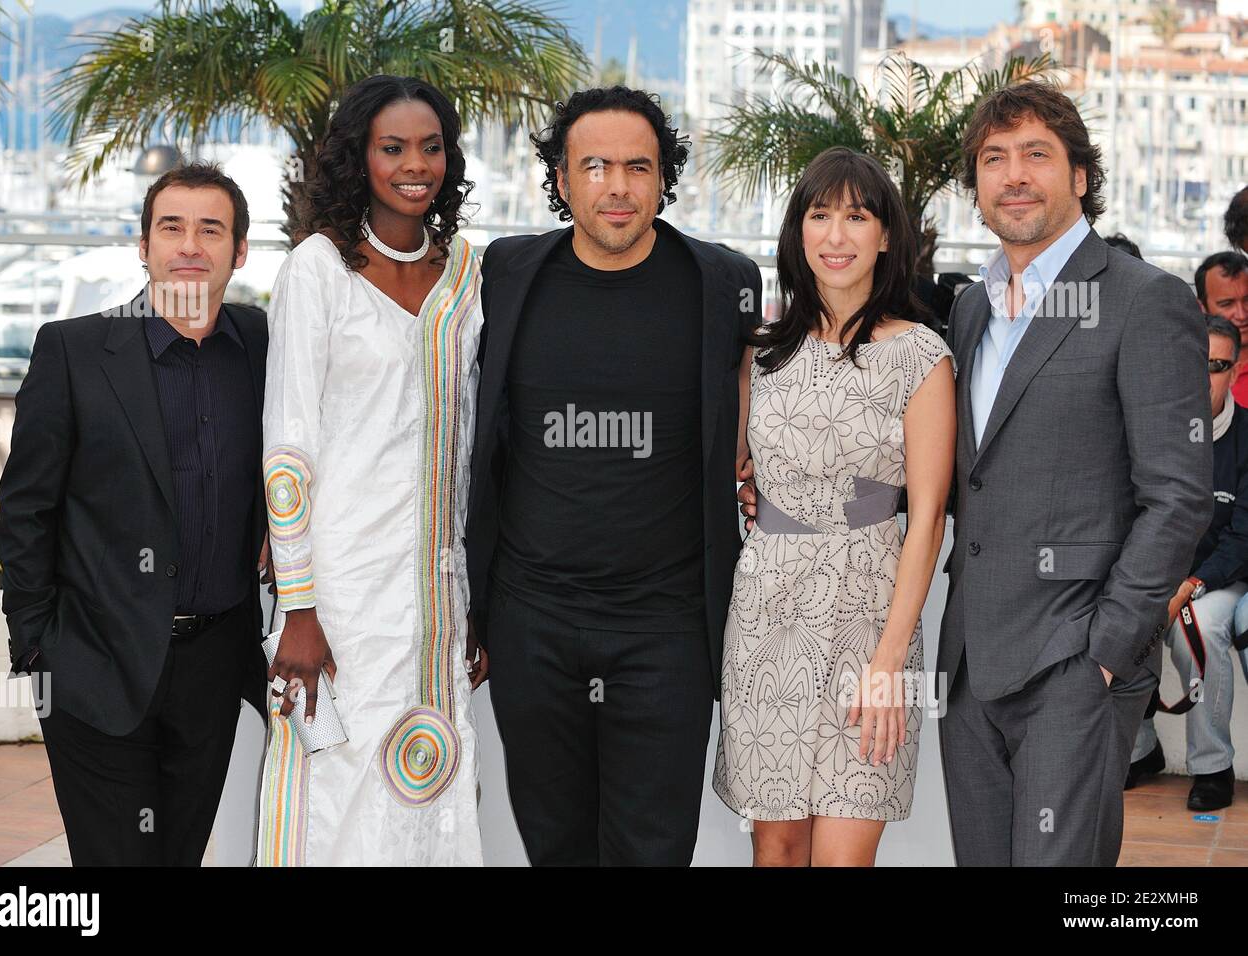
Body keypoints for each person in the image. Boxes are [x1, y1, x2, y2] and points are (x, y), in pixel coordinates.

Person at [465, 86, 761, 866]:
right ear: (561, 180)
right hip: (533, 623)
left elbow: (767, 389)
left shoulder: (721, 281)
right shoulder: (506, 272)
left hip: (667, 631)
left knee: (652, 851)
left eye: (638, 166)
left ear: (665, 178)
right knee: (554, 847)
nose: (618, 186)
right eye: (594, 166)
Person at [937, 81, 1211, 866]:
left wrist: (1107, 647)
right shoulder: (971, 307)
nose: (1014, 175)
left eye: (1036, 155)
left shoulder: (1144, 301)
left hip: (1077, 659)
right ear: (978, 186)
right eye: (994, 159)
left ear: (1080, 176)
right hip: (971, 663)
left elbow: (1179, 496)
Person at [0, 162, 270, 865]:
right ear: (143, 245)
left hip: (214, 666)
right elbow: (27, 505)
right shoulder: (75, 349)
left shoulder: (262, 346)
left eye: (211, 229)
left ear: (239, 251)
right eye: (171, 226)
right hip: (93, 665)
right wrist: (37, 643)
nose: (189, 244)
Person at [257, 75, 485, 865]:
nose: (414, 164)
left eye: (431, 147)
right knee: (334, 799)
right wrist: (300, 608)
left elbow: (473, 449)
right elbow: (287, 451)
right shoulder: (317, 270)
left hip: (435, 595)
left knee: (430, 795)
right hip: (339, 598)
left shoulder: (467, 281)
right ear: (362, 157)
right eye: (393, 148)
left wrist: (472, 600)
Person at [715, 147, 955, 867]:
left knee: (844, 854)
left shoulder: (921, 357)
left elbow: (929, 517)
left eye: (857, 217)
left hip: (870, 618)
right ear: (798, 233)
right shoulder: (760, 353)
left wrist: (888, 661)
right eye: (820, 215)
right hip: (766, 613)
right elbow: (730, 470)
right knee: (777, 849)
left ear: (886, 236)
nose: (837, 235)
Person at [1128, 316, 1248, 811]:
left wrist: (1190, 586)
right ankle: (1139, 749)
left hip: (1224, 579)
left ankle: (1212, 764)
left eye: (1217, 366)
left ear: (1235, 370)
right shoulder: (1150, 427)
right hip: (1159, 570)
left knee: (1198, 627)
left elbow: (1243, 539)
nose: (1203, 377)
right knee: (1115, 611)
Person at [1194, 252, 1248, 408]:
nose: (1241, 314)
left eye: (1247, 300)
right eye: (1226, 304)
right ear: (1201, 307)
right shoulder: (1185, 366)